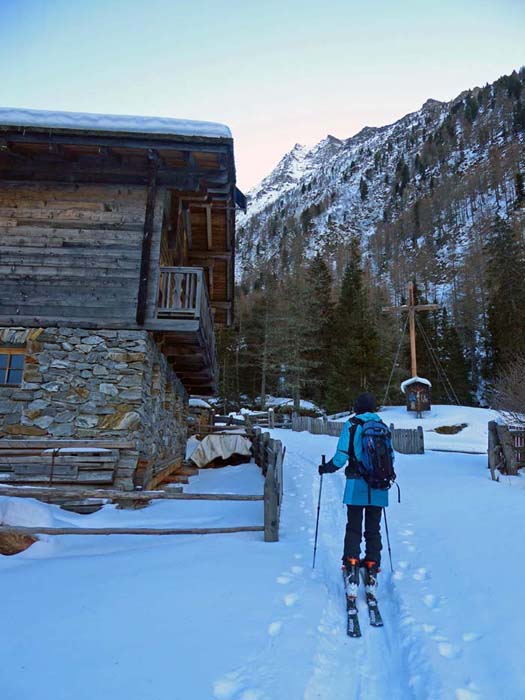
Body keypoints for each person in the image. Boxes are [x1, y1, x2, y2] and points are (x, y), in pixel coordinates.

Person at [318, 391, 392, 596]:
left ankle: (351, 566)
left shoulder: (351, 425)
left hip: (356, 484)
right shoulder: (383, 427)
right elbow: (391, 457)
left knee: (353, 527)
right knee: (373, 528)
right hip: (379, 485)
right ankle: (371, 567)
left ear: (358, 407)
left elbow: (341, 456)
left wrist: (327, 468)